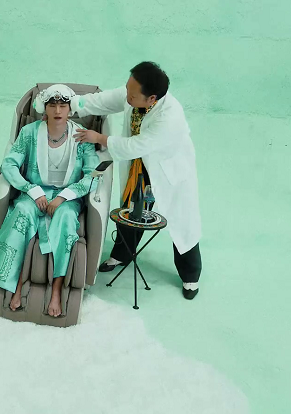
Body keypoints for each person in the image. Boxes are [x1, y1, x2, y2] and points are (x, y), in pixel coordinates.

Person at [72, 62, 202, 299]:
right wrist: (71, 102)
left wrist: (99, 137)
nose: (127, 96)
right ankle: (122, 255)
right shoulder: (133, 93)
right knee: (131, 211)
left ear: (151, 98)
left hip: (167, 171)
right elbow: (103, 101)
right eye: (127, 89)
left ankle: (190, 276)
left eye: (132, 95)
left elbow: (135, 145)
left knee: (182, 223)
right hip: (139, 167)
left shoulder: (169, 117)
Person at [0, 84, 99, 317]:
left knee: (66, 218)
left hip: (67, 197)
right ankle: (16, 285)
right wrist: (31, 189)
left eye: (63, 105)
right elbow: (9, 164)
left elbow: (93, 175)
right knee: (22, 211)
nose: (57, 110)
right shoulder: (29, 133)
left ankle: (56, 290)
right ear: (44, 108)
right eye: (52, 105)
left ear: (70, 109)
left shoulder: (81, 136)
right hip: (34, 193)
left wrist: (64, 197)